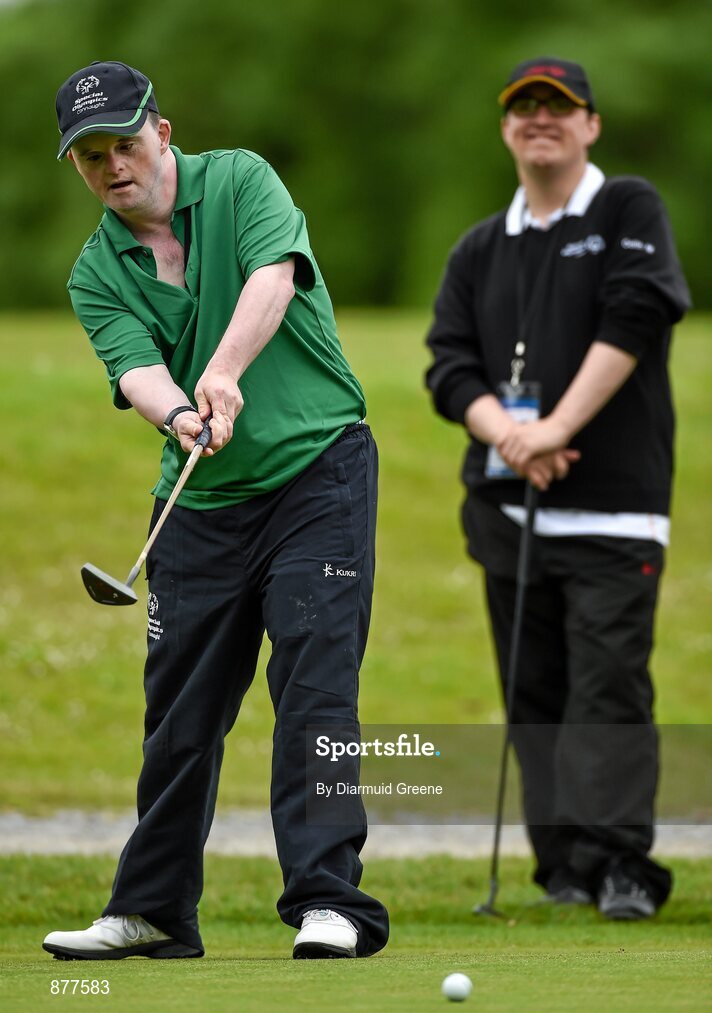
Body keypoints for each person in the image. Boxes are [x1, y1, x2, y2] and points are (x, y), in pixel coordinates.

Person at [43, 60, 388, 961]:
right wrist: (181, 412)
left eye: (124, 141)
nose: (112, 165)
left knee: (314, 688)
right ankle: (153, 909)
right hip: (200, 500)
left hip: (319, 469)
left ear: (162, 129)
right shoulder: (96, 270)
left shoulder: (239, 177)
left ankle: (330, 901)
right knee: (180, 713)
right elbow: (133, 369)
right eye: (90, 155)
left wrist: (225, 372)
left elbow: (275, 276)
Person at [425, 57, 690, 918]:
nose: (541, 118)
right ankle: (563, 868)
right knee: (532, 691)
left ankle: (621, 865)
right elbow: (450, 365)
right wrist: (510, 433)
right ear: (506, 127)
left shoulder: (627, 208)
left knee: (607, 687)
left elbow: (637, 315)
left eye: (560, 106)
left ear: (591, 125)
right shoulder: (478, 246)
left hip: (614, 508)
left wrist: (554, 429)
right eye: (524, 107)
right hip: (510, 507)